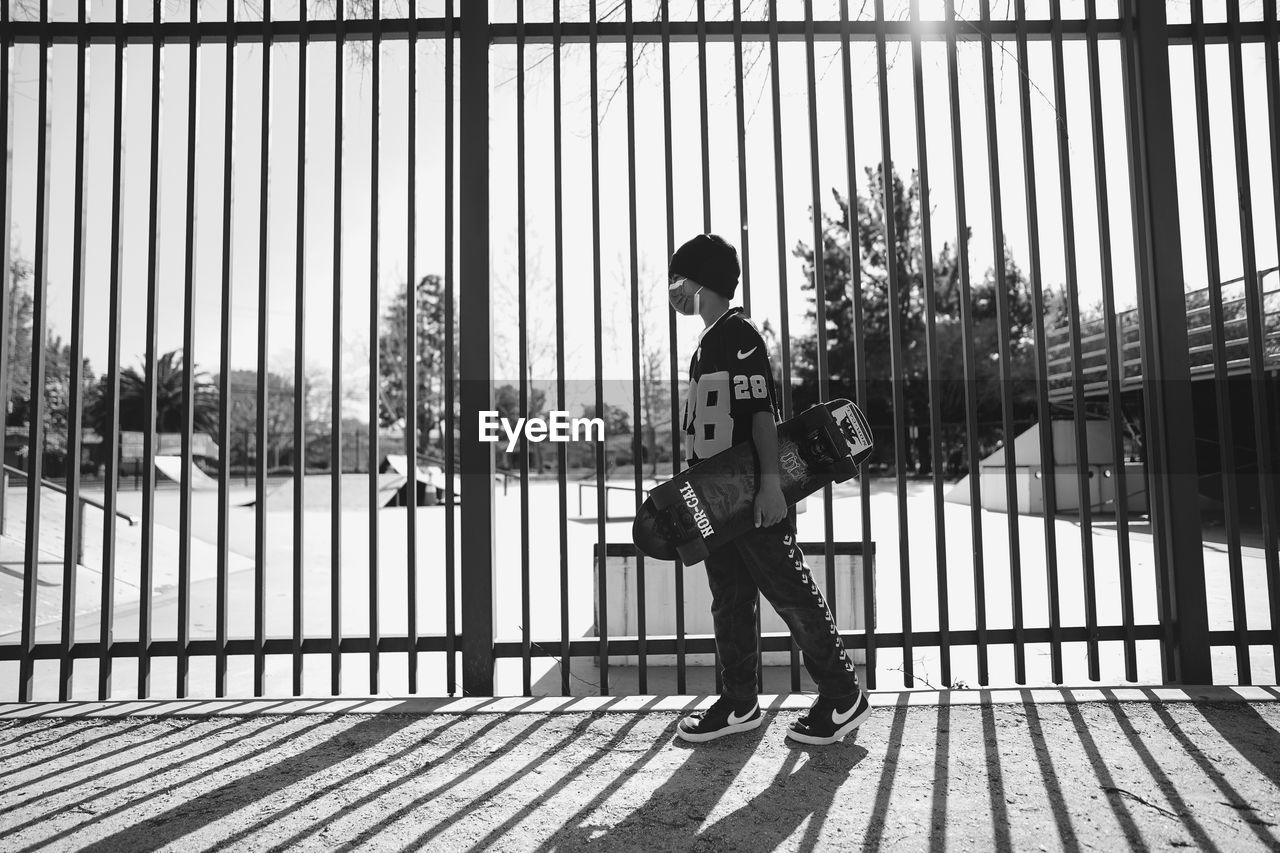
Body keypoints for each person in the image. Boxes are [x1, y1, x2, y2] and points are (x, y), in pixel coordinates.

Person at [666, 233, 870, 746]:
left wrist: (771, 489)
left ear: (700, 281)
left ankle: (844, 696)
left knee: (788, 590)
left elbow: (762, 416)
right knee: (729, 599)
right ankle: (739, 704)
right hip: (716, 496)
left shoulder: (739, 336)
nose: (673, 290)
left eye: (678, 280)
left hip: (752, 491)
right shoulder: (706, 341)